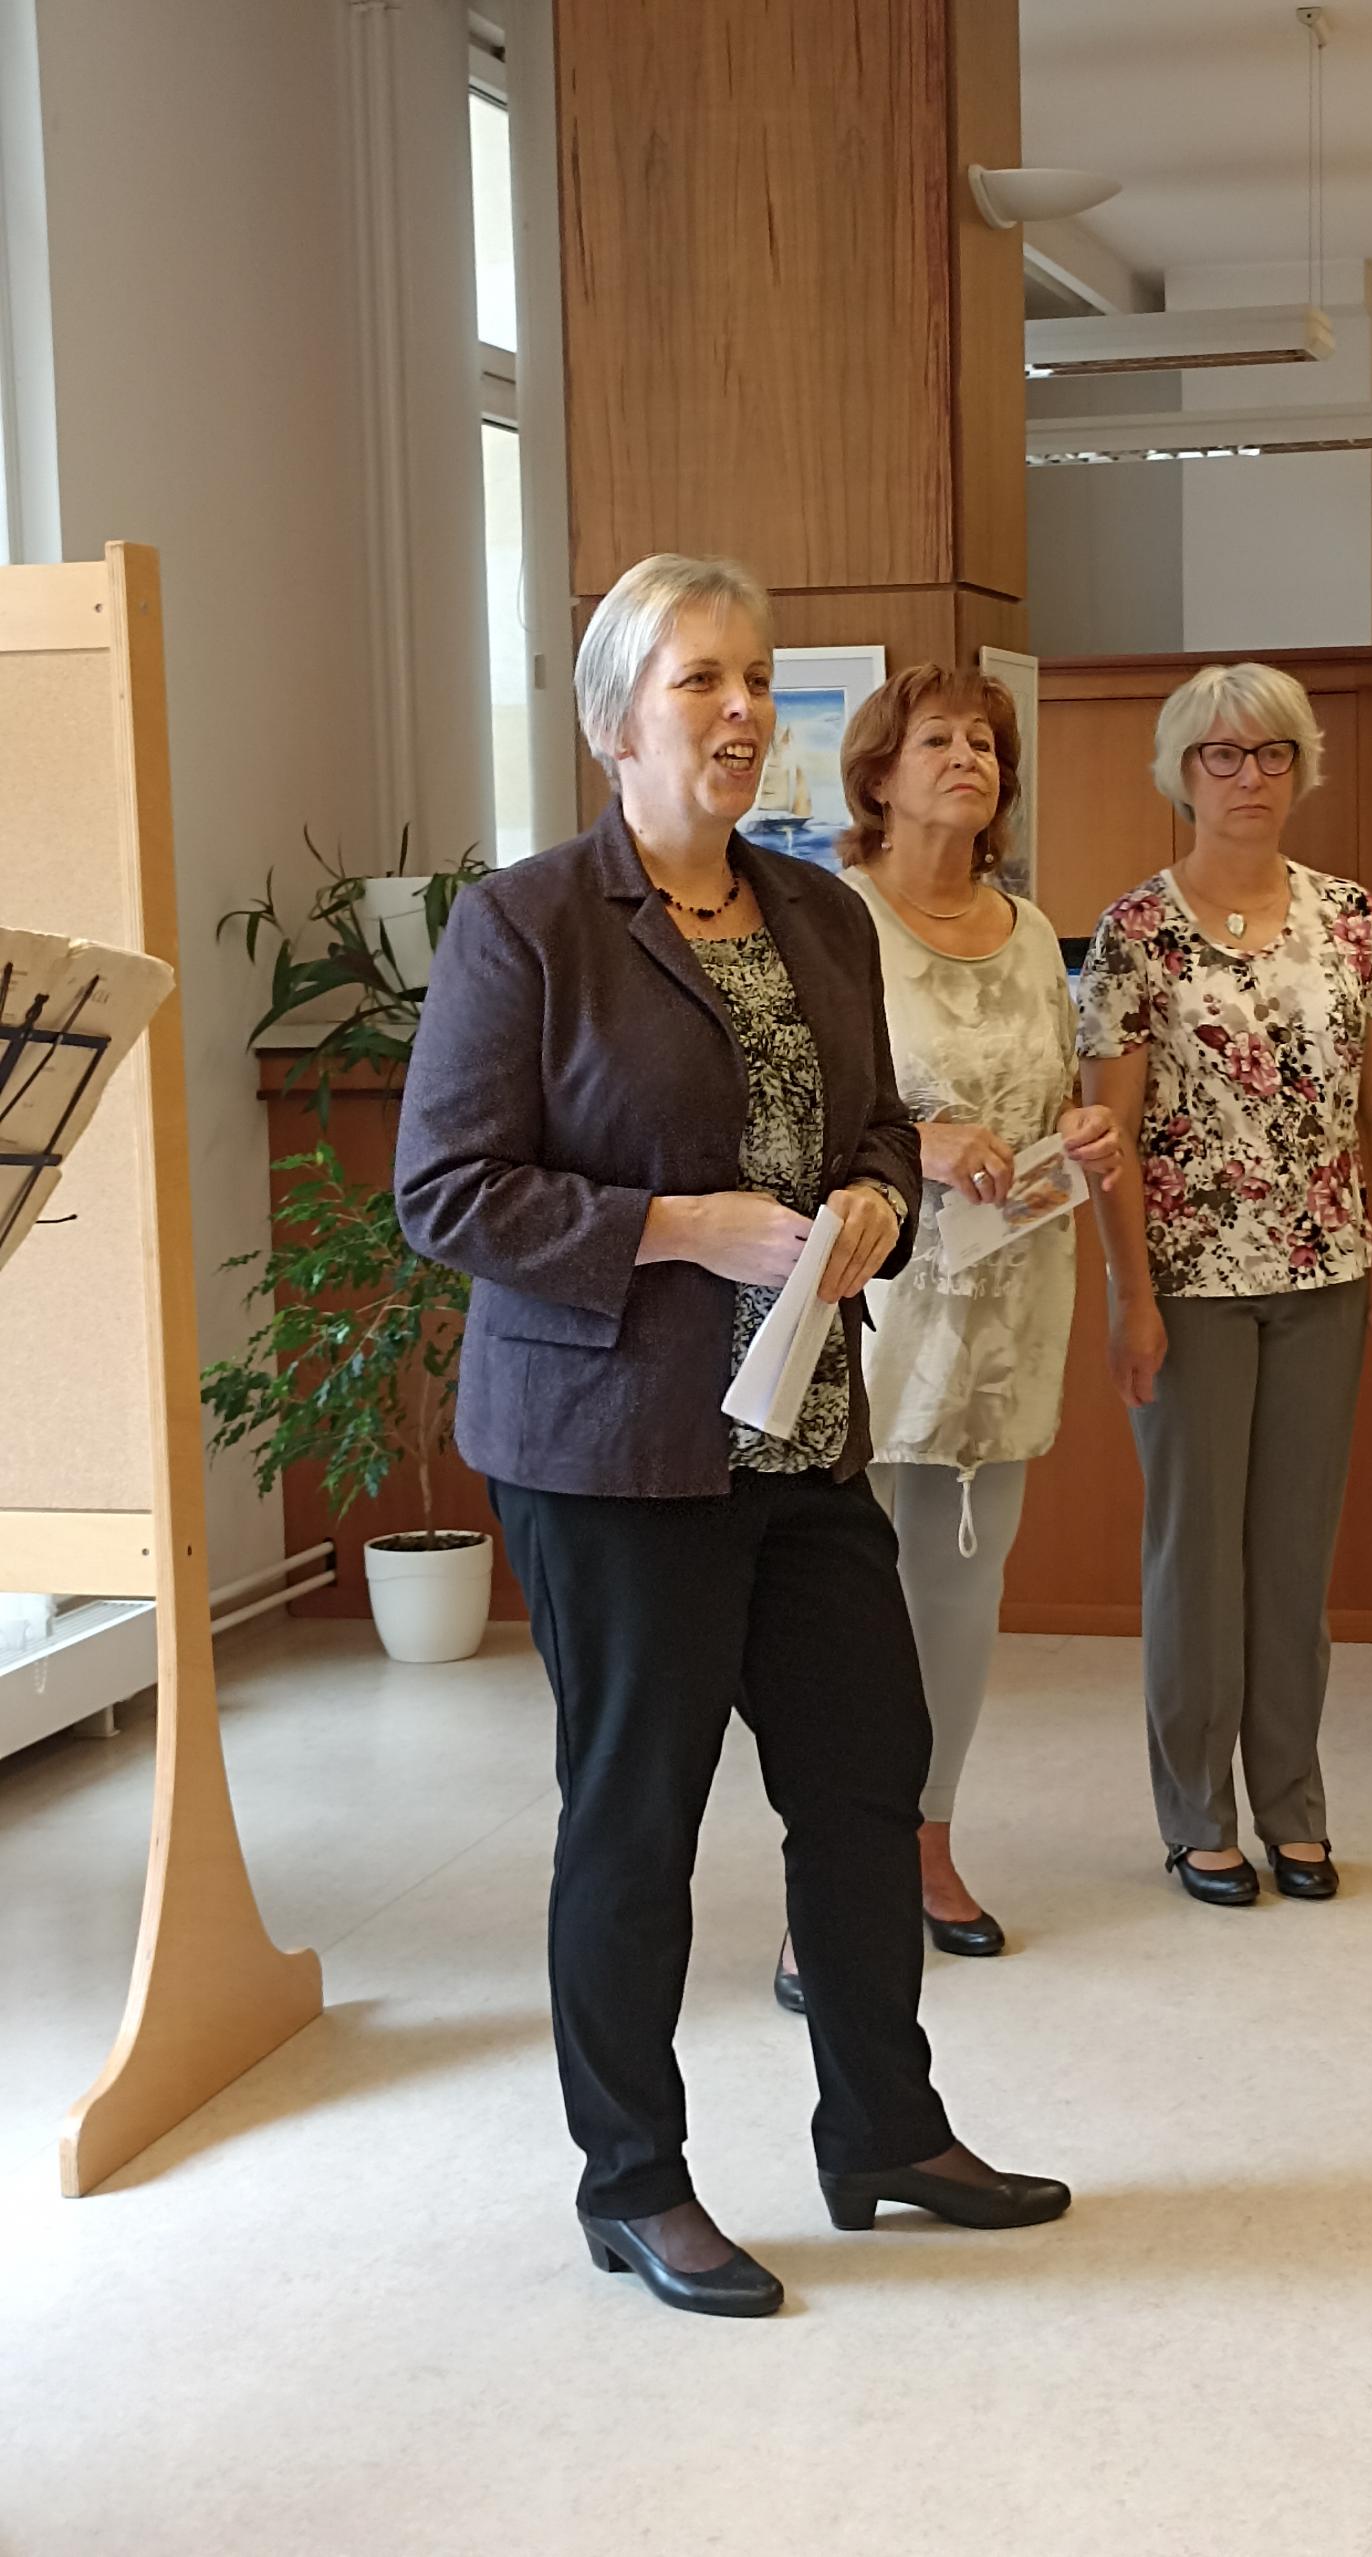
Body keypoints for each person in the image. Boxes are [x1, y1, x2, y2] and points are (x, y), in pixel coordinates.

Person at [393, 554, 1069, 2322]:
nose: (744, 708)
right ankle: (633, 2182)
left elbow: (875, 1131)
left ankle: (886, 2131)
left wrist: (875, 1203)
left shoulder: (818, 915)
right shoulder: (527, 924)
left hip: (802, 1430)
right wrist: (680, 1228)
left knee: (864, 1775)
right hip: (613, 1450)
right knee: (636, 1817)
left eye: (757, 678)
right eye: (702, 678)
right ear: (614, 720)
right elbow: (446, 1190)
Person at [771, 665, 1120, 2013]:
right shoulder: (829, 917)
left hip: (1009, 1297)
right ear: (878, 774)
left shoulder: (1031, 932)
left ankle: (927, 1846)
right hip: (874, 1298)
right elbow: (798, 1110)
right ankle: (825, 1890)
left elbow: (1053, 1094)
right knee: (841, 1613)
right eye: (938, 739)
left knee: (962, 1596)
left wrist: (1080, 1131)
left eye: (985, 741)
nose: (968, 756)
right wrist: (918, 1142)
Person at [1077, 661, 1372, 1910]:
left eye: (1272, 752)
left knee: (1293, 1560)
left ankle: (1294, 1805)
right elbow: (1111, 1138)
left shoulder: (1352, 919)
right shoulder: (1134, 931)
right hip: (1188, 1288)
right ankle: (1196, 1816)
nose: (1249, 776)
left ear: (1301, 767)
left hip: (1326, 1274)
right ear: (1181, 773)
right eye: (1221, 755)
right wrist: (1129, 1297)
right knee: (1197, 1561)